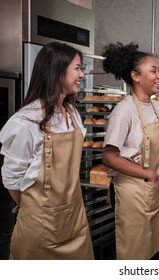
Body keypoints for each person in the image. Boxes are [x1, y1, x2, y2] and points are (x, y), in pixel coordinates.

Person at [0, 42, 94, 259]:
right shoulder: (26, 121)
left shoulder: (73, 114)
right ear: (58, 71)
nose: (82, 74)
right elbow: (11, 181)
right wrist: (39, 210)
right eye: (77, 68)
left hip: (75, 222)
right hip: (40, 228)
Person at [101, 42, 159, 260]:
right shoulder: (124, 111)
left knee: (157, 251)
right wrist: (147, 173)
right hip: (132, 192)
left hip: (155, 190)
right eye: (154, 71)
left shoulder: (158, 107)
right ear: (136, 76)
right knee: (136, 253)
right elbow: (108, 156)